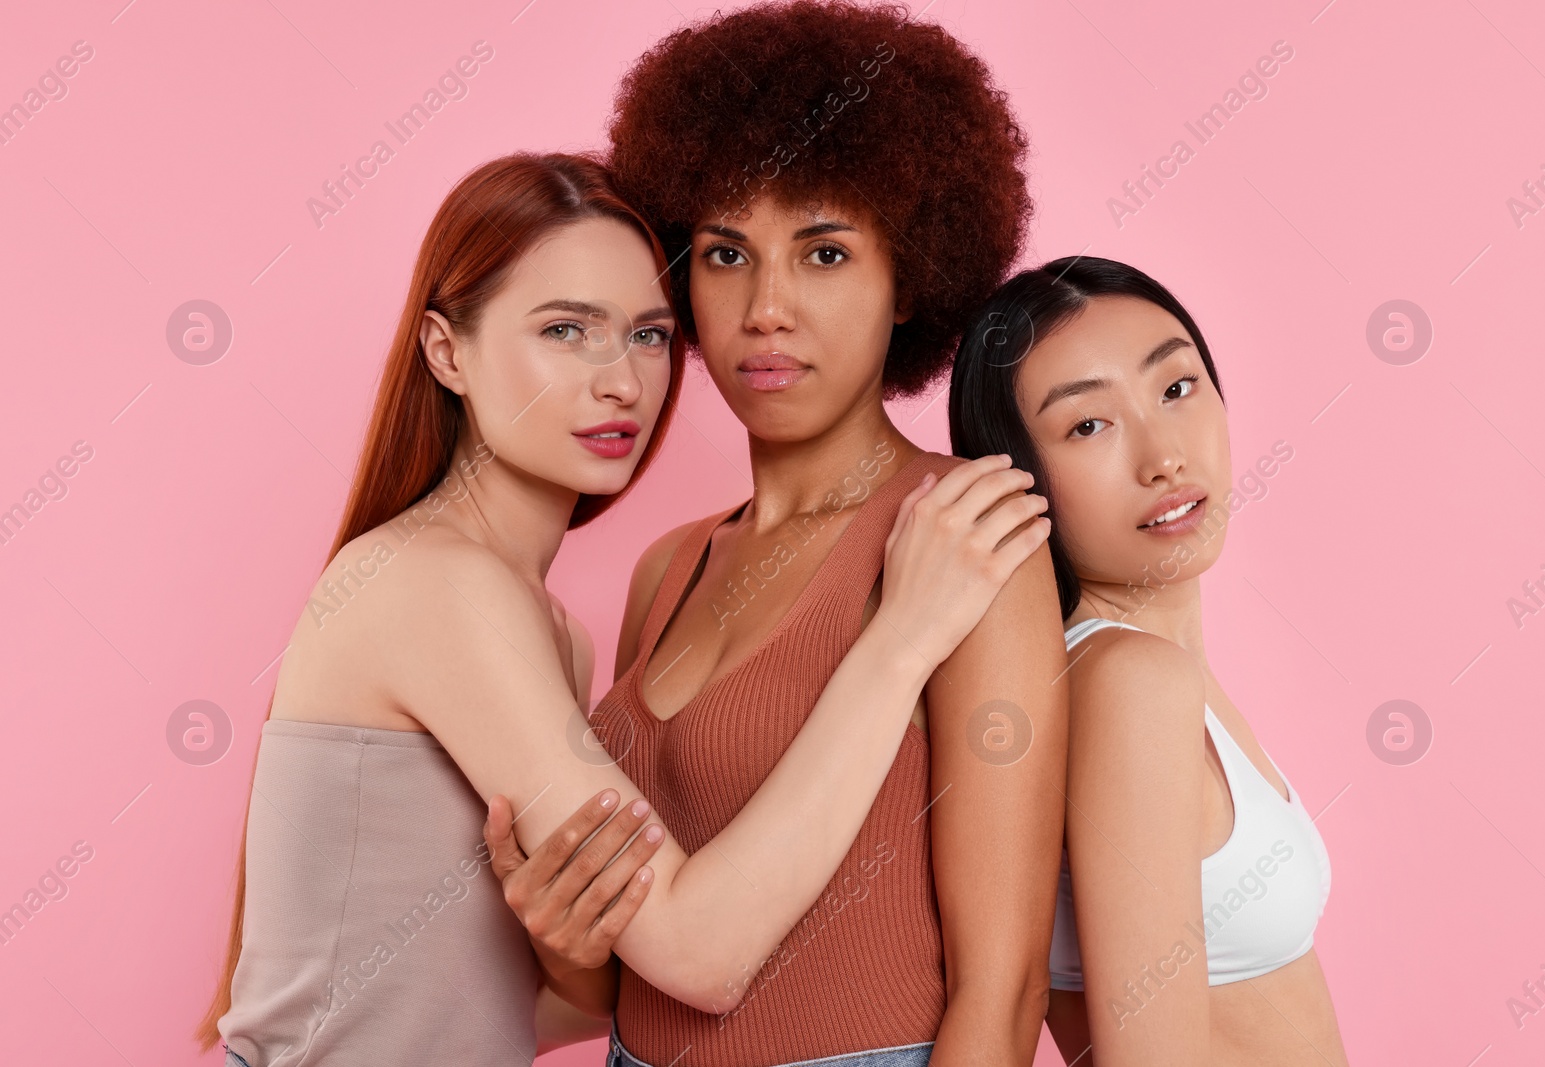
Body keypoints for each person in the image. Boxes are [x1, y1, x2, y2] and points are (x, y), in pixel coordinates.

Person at [194, 150, 1050, 1067]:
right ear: (447, 351)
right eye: (566, 331)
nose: (621, 382)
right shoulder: (440, 585)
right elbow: (696, 955)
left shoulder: (557, 630)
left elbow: (498, 1001)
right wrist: (900, 639)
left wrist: (568, 947)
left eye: (646, 334)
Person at [485, 5, 1072, 1066]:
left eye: (825, 251)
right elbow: (642, 953)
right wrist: (564, 935)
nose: (765, 306)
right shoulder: (670, 568)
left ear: (910, 280)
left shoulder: (965, 537)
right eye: (725, 253)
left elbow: (1004, 982)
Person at [948, 255, 1348, 1066]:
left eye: (1175, 387)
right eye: (1088, 425)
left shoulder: (1142, 666)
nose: (1163, 455)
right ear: (1020, 476)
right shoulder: (1129, 681)